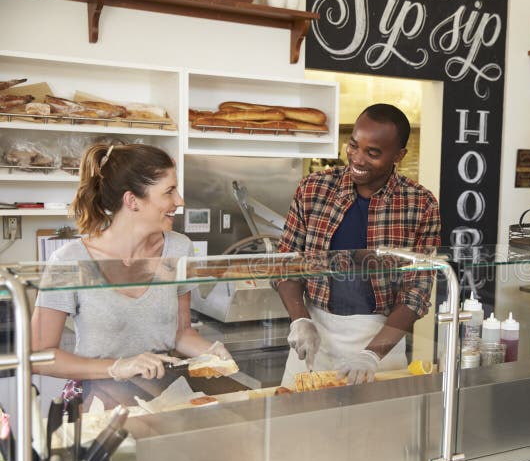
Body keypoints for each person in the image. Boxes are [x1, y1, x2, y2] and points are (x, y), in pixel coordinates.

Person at [31, 143, 231, 401]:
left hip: (162, 395)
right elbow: (39, 356)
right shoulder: (70, 260)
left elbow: (180, 332)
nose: (179, 201)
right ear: (132, 201)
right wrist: (116, 367)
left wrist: (210, 350)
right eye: (169, 192)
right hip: (97, 398)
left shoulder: (179, 248)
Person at [276, 103, 441, 387]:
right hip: (314, 339)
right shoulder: (313, 189)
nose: (357, 158)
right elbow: (287, 263)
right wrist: (300, 321)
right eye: (353, 145)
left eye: (372, 152)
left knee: (373, 430)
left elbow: (417, 292)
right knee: (299, 429)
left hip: (381, 348)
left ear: (399, 155)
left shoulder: (420, 204)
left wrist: (370, 356)